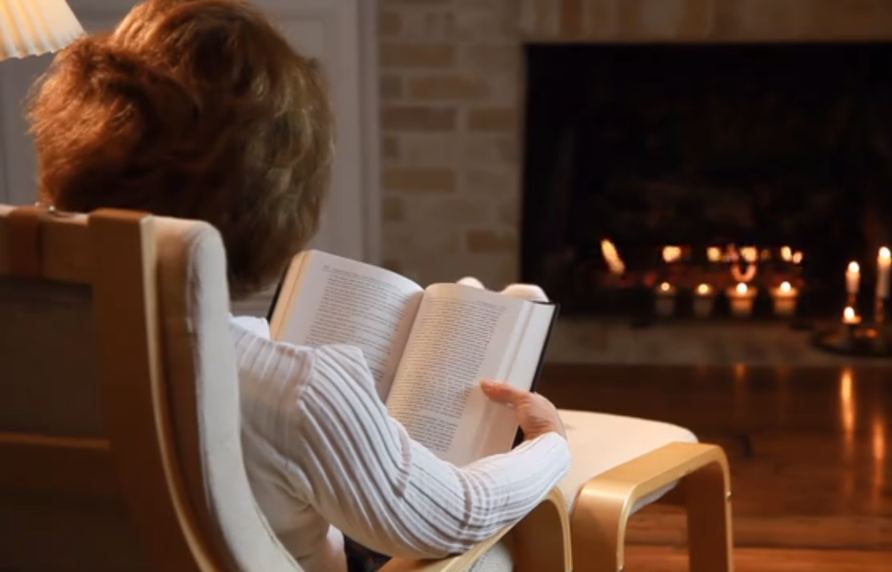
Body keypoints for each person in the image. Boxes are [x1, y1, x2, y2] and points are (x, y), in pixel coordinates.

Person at [25, 1, 571, 571]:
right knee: (491, 559)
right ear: (273, 203)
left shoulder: (24, 339)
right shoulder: (291, 390)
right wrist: (548, 444)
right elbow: (456, 513)